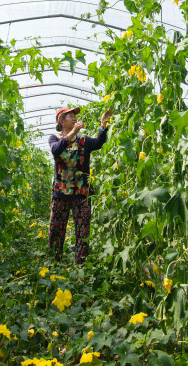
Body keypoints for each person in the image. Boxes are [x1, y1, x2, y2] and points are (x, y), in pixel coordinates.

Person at [48, 105, 113, 264]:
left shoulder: (84, 141)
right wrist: (73, 133)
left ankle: (80, 266)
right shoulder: (54, 138)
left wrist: (103, 124)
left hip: (82, 193)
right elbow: (56, 150)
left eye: (74, 116)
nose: (75, 118)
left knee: (83, 231)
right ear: (62, 121)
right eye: (70, 116)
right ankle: (54, 264)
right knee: (56, 230)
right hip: (60, 193)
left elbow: (98, 142)